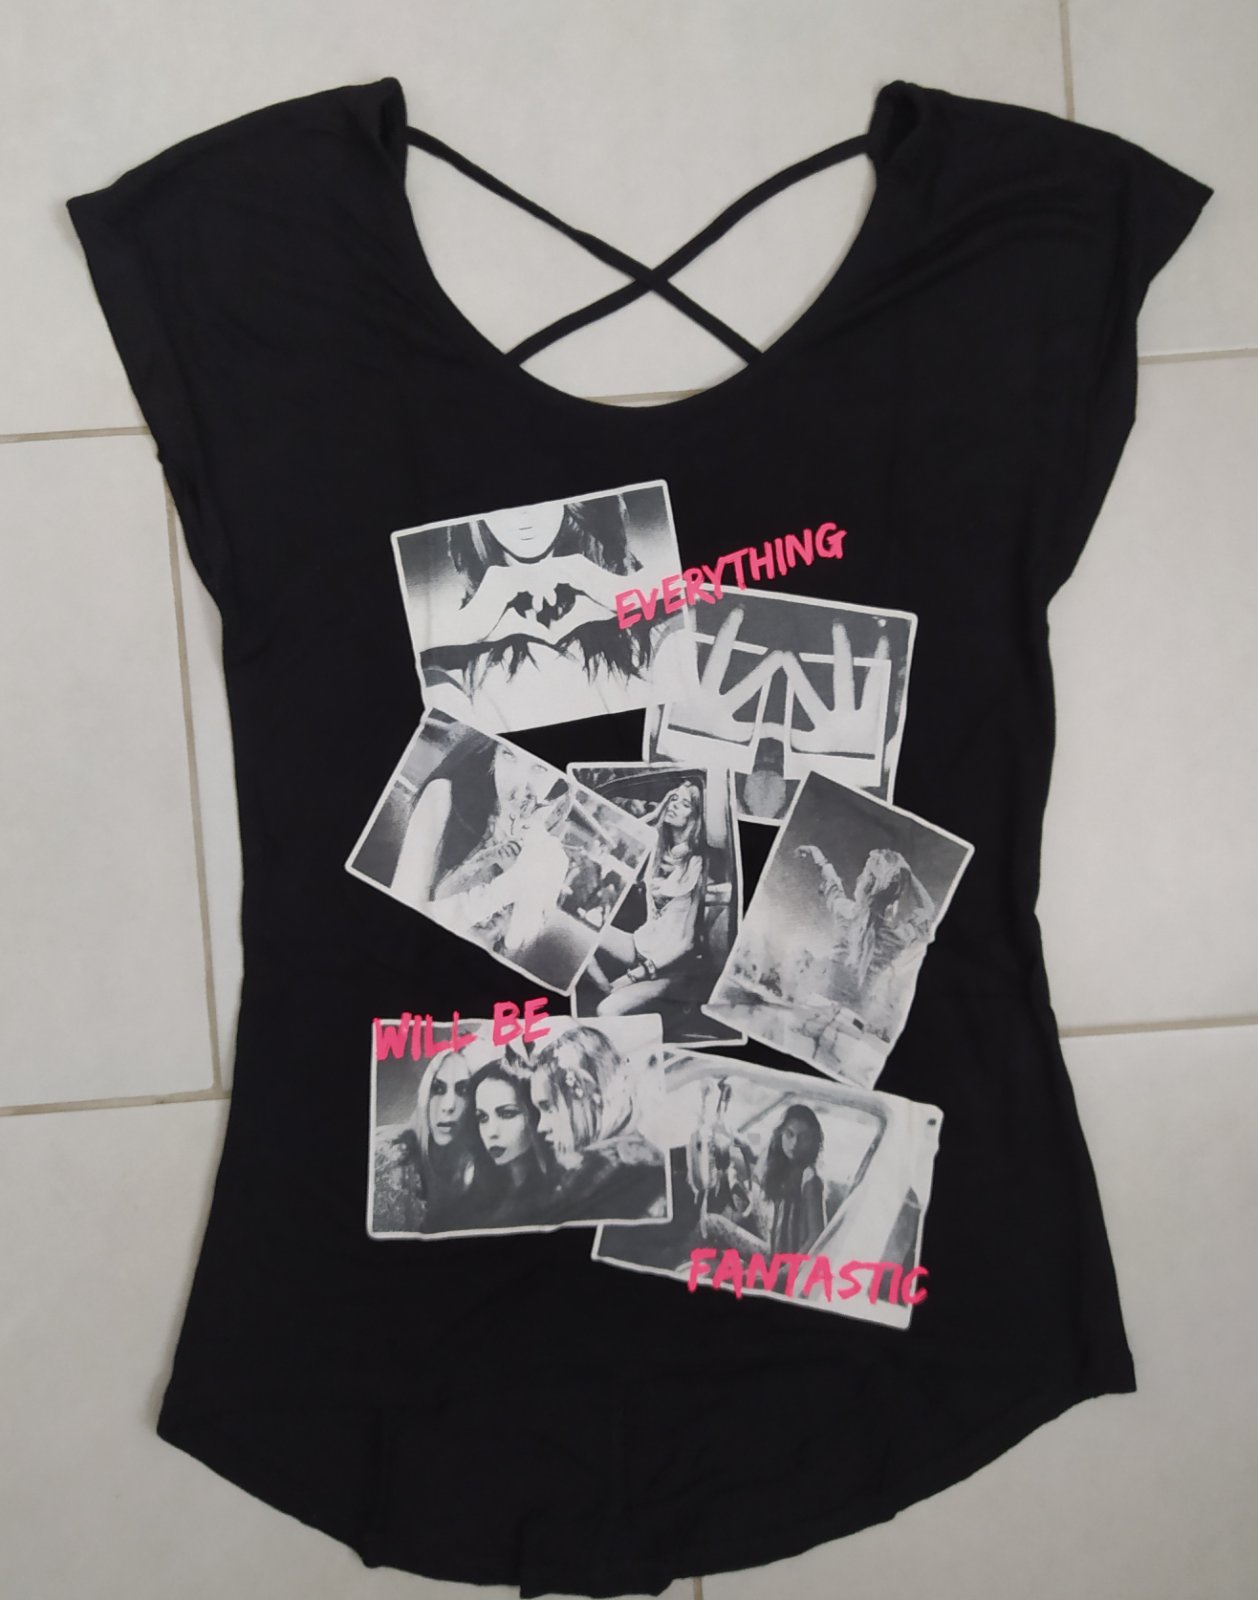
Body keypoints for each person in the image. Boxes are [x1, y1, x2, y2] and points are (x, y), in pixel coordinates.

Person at [415, 495, 655, 731]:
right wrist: (458, 629)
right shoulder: (446, 668)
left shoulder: (649, 626)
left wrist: (623, 594)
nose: (524, 513)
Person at [389, 726, 573, 965]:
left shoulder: (546, 851)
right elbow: (402, 917)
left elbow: (521, 954)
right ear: (493, 754)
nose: (518, 784)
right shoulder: (445, 795)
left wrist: (530, 895)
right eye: (509, 755)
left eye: (540, 768)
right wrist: (501, 889)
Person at [583, 781, 707, 1019]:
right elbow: (627, 831)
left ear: (695, 816)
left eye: (685, 804)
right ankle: (604, 987)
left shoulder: (696, 863)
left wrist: (633, 976)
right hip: (640, 945)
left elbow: (687, 943)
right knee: (581, 931)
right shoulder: (659, 848)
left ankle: (610, 992)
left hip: (671, 969)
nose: (674, 806)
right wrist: (657, 812)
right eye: (673, 799)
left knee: (606, 1010)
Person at [526, 1026, 667, 1223]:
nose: (541, 1127)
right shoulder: (651, 1162)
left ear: (586, 1094)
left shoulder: (593, 1175)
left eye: (549, 1107)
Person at [427, 1055, 557, 1232]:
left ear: (534, 1115)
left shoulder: (559, 1194)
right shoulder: (471, 1202)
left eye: (507, 1114)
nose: (491, 1132)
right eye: (482, 1118)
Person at [372, 1046, 479, 1233]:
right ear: (425, 1094)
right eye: (438, 1089)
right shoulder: (389, 1155)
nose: (448, 1106)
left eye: (463, 1090)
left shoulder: (479, 1170)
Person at [760, 1104, 826, 1256]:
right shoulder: (783, 1167)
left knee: (715, 1224)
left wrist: (786, 1269)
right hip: (775, 1257)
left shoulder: (811, 1178)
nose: (795, 1143)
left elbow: (816, 1237)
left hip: (794, 1265)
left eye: (803, 1137)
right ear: (780, 1134)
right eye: (790, 1134)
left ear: (813, 1141)